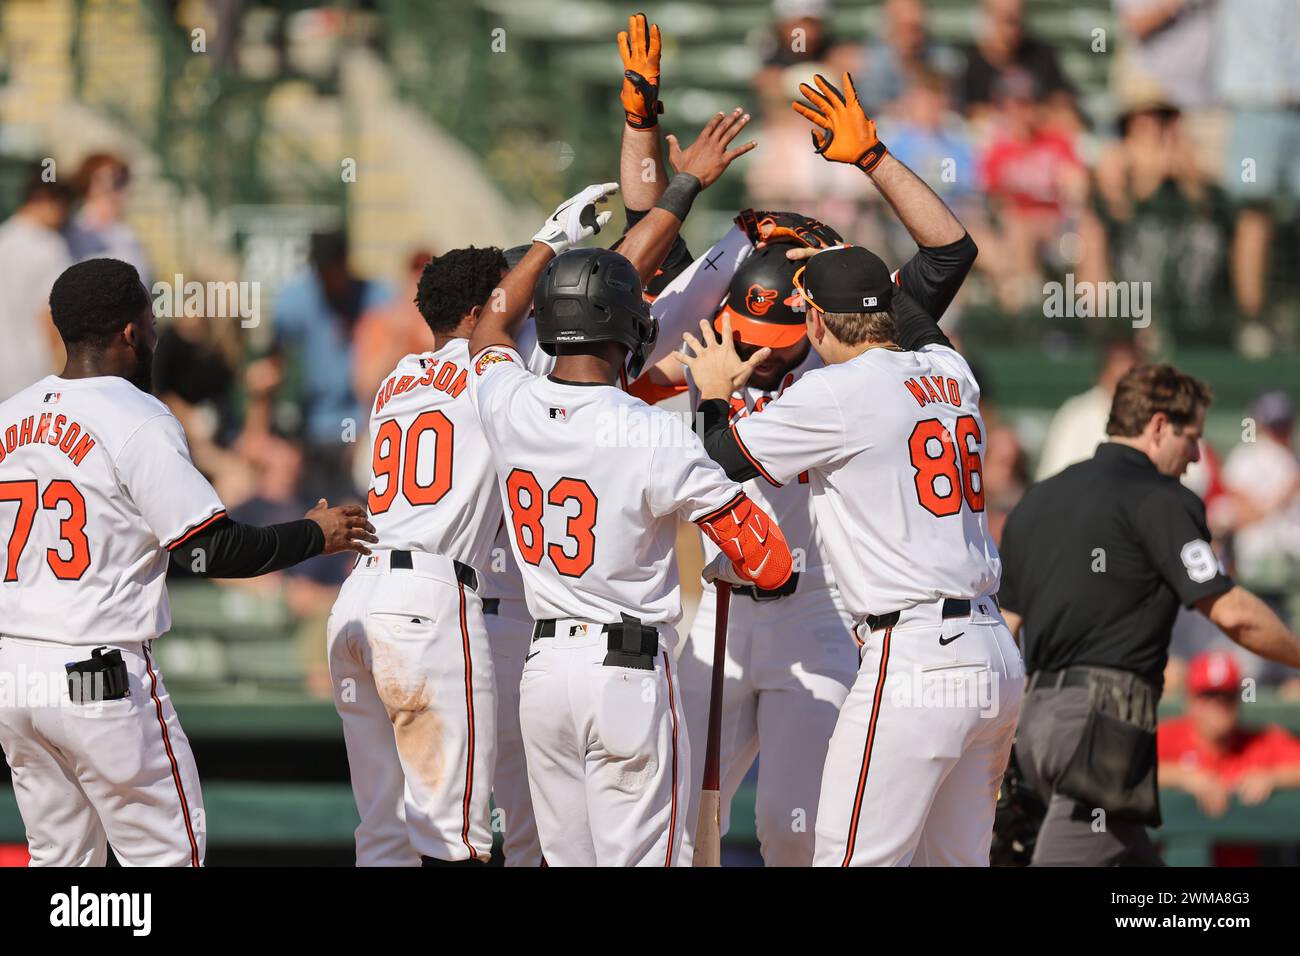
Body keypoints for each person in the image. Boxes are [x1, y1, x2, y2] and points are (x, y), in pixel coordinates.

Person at [681, 72, 1024, 867]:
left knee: (835, 853)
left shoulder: (837, 391)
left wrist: (713, 398)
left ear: (813, 320)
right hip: (987, 652)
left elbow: (722, 457)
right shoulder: (948, 368)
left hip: (903, 650)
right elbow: (949, 253)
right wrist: (871, 160)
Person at [467, 113, 795, 867]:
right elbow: (770, 562)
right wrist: (715, 406)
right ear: (630, 325)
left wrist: (547, 243)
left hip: (544, 675)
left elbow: (488, 331)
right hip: (628, 673)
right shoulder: (652, 430)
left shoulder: (508, 401)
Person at [0, 258, 374, 867]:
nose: (155, 330)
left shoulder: (9, 416)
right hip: (97, 671)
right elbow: (207, 549)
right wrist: (314, 534)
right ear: (129, 330)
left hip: (15, 673)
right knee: (167, 858)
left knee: (61, 866)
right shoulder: (136, 416)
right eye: (149, 318)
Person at [999, 363, 1300, 866]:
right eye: (1191, 438)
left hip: (1035, 724)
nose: (1196, 455)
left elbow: (1005, 628)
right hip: (1103, 727)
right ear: (1159, 426)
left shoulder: (1038, 499)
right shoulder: (1163, 499)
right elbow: (1232, 613)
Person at [325, 245, 512, 866]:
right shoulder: (493, 369)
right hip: (428, 601)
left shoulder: (397, 378)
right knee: (453, 840)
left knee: (385, 834)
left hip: (358, 600)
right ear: (480, 311)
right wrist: (545, 250)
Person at [1159, 651, 1300, 821]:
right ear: (1191, 701)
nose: (1219, 704)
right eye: (1209, 695)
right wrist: (1183, 777)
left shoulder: (1260, 741)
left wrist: (1274, 778)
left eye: (1228, 695)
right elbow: (1132, 769)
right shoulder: (1167, 736)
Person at [0, 165, 72, 400]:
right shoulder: (49, 246)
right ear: (45, 199)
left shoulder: (4, 239)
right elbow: (53, 317)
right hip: (34, 378)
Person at [1035, 337, 1141, 480]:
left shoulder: (1151, 417)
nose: (1126, 390)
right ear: (1103, 376)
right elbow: (1053, 477)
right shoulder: (1076, 415)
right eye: (1119, 381)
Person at [66, 153, 152, 286]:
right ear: (87, 183)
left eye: (120, 180)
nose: (112, 188)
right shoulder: (74, 232)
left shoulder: (127, 234)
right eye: (103, 180)